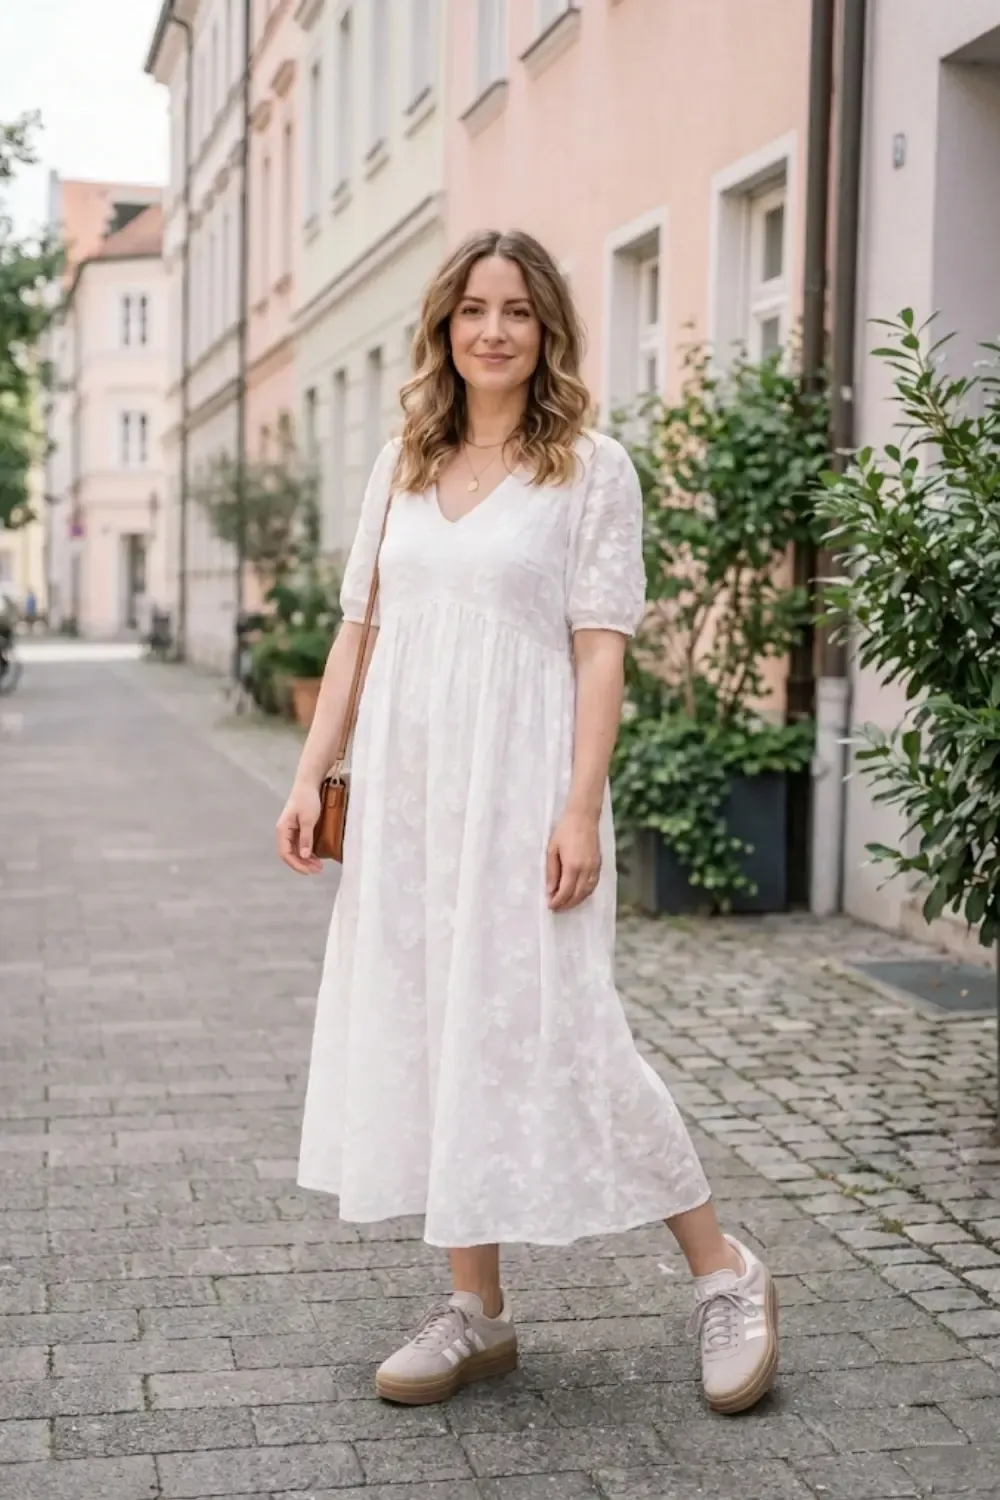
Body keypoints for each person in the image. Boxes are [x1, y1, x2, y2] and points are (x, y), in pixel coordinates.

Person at [276, 229, 778, 1416]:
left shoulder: (591, 468)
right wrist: (309, 775)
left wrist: (579, 807)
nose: (491, 330)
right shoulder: (401, 460)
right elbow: (360, 631)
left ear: (546, 329)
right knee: (434, 1023)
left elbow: (599, 652)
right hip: (408, 799)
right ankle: (476, 1310)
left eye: (515, 311)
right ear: (442, 327)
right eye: (470, 310)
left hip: (522, 795)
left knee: (569, 1030)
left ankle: (725, 1273)